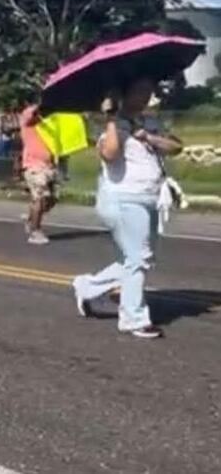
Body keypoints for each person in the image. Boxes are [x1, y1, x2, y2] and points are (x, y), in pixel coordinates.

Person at [72, 78, 182, 339]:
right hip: (123, 199)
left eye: (148, 90)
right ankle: (133, 318)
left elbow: (176, 147)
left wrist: (149, 136)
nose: (146, 96)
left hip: (150, 198)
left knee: (138, 258)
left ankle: (86, 287)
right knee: (138, 259)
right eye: (140, 90)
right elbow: (110, 154)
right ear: (123, 94)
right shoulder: (114, 125)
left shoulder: (150, 122)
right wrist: (111, 118)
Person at [19, 103, 57, 245]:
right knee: (40, 198)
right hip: (34, 166)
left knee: (50, 200)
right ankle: (35, 231)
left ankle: (30, 220)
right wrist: (43, 101)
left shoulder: (48, 126)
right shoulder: (27, 121)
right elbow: (31, 113)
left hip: (48, 167)